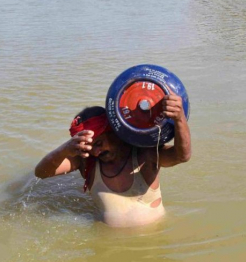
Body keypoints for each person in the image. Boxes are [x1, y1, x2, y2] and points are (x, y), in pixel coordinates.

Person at [35, 94, 191, 228]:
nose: (95, 152)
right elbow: (41, 173)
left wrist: (179, 119)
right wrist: (64, 149)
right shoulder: (86, 162)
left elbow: (182, 156)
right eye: (89, 147)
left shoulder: (146, 153)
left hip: (155, 243)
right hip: (107, 249)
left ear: (114, 132)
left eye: (99, 143)